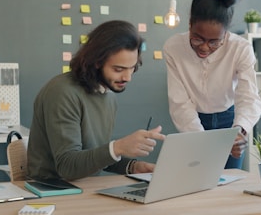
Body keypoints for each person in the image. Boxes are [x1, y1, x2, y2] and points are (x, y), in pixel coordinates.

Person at [27, 20, 166, 181]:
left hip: (86, 188)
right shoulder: (62, 92)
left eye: (132, 68)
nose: (127, 77)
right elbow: (67, 166)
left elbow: (94, 157)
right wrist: (119, 147)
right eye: (118, 69)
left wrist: (132, 166)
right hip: (52, 191)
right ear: (97, 62)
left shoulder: (108, 95)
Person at [163, 0, 261, 169]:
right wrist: (200, 138)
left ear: (225, 34)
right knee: (196, 179)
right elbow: (179, 102)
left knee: (230, 180)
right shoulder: (173, 48)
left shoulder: (240, 48)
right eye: (197, 39)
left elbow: (249, 96)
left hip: (230, 121)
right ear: (190, 24)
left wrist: (240, 131)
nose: (204, 47)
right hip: (193, 120)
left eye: (214, 42)